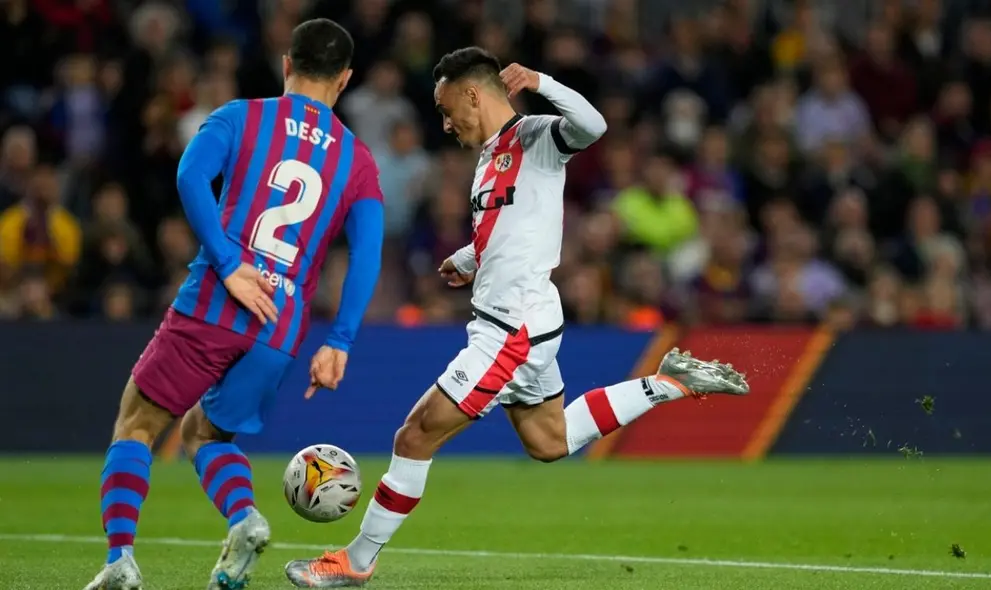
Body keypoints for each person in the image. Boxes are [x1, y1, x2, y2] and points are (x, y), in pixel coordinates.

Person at [284, 47, 749, 588]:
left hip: (512, 327)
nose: (445, 121)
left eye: (445, 107)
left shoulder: (534, 137)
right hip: (524, 319)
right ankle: (668, 383)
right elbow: (511, 229)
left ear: (472, 94)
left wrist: (541, 80)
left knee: (414, 437)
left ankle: (355, 562)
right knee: (549, 442)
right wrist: (468, 258)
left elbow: (592, 125)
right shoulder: (488, 157)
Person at [85, 18, 384, 590]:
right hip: (282, 328)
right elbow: (367, 254)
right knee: (206, 434)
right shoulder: (358, 158)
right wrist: (340, 339)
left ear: (287, 64)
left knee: (138, 423)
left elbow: (191, 174)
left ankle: (121, 560)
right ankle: (244, 519)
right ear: (345, 80)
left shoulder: (241, 116)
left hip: (215, 304)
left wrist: (228, 263)